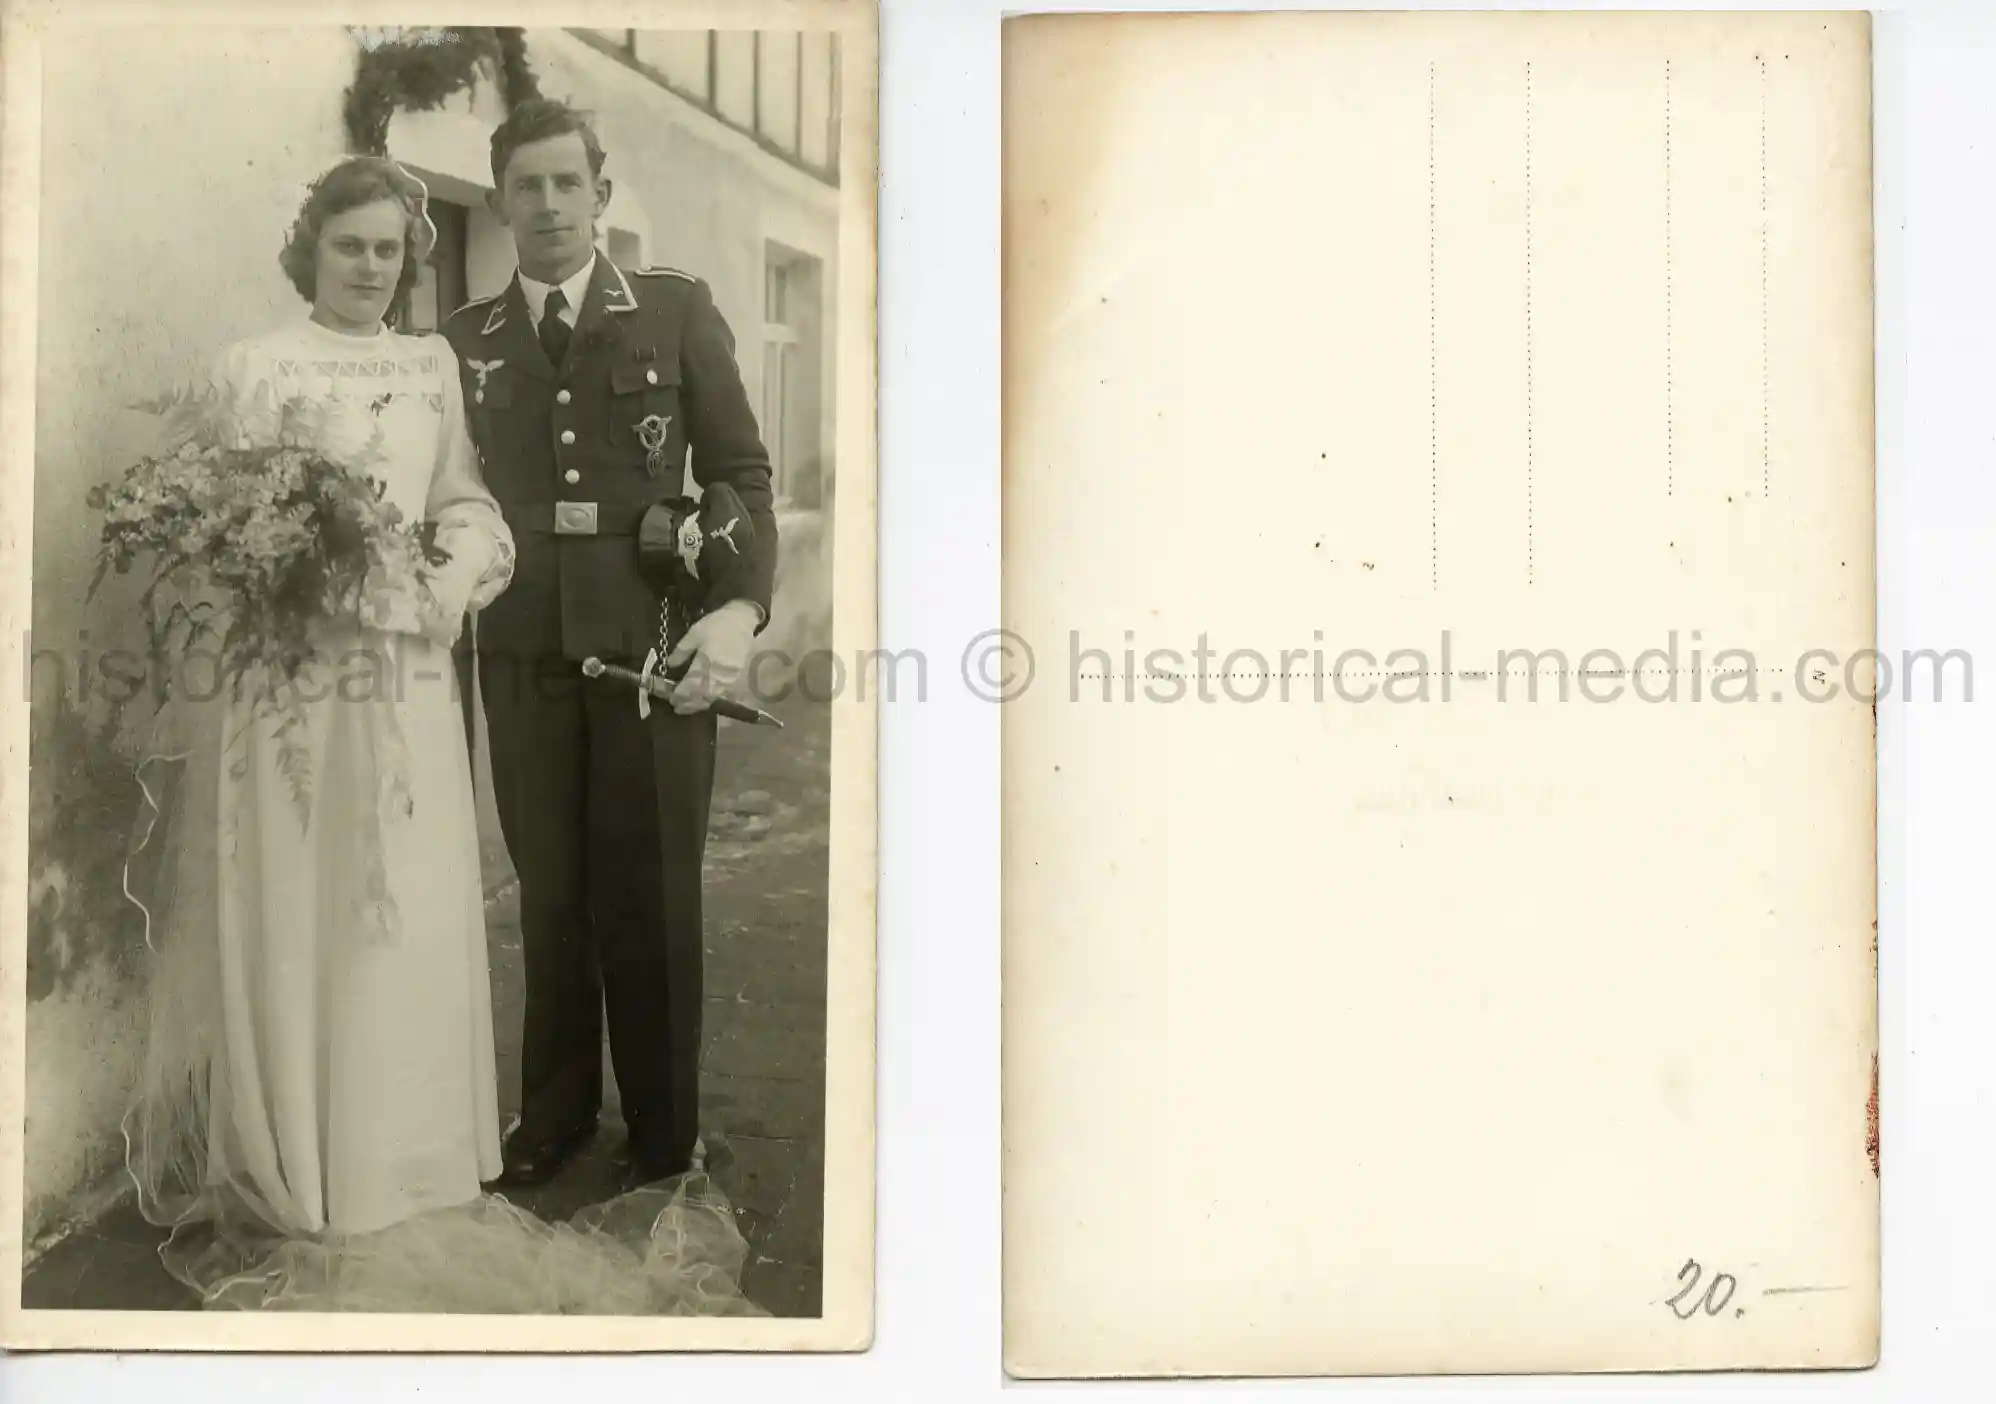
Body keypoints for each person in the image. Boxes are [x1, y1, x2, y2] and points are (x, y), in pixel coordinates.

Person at [122, 156, 761, 1314]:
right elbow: (210, 539)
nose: (372, 268)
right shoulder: (251, 370)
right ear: (306, 250)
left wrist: (449, 573)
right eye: (349, 247)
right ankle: (309, 1161)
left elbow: (467, 497)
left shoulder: (434, 364)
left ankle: (409, 1151)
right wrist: (290, 578)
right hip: (293, 693)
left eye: (389, 250)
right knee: (301, 906)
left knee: (407, 909)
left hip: (410, 672)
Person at [441, 98, 777, 1191]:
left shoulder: (674, 312)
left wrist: (735, 611)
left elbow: (741, 474)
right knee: (552, 888)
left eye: (565, 183)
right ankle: (554, 1117)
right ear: (497, 200)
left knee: (653, 889)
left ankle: (665, 1130)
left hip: (655, 652)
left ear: (600, 195)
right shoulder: (462, 345)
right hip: (524, 656)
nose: (546, 204)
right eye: (524, 185)